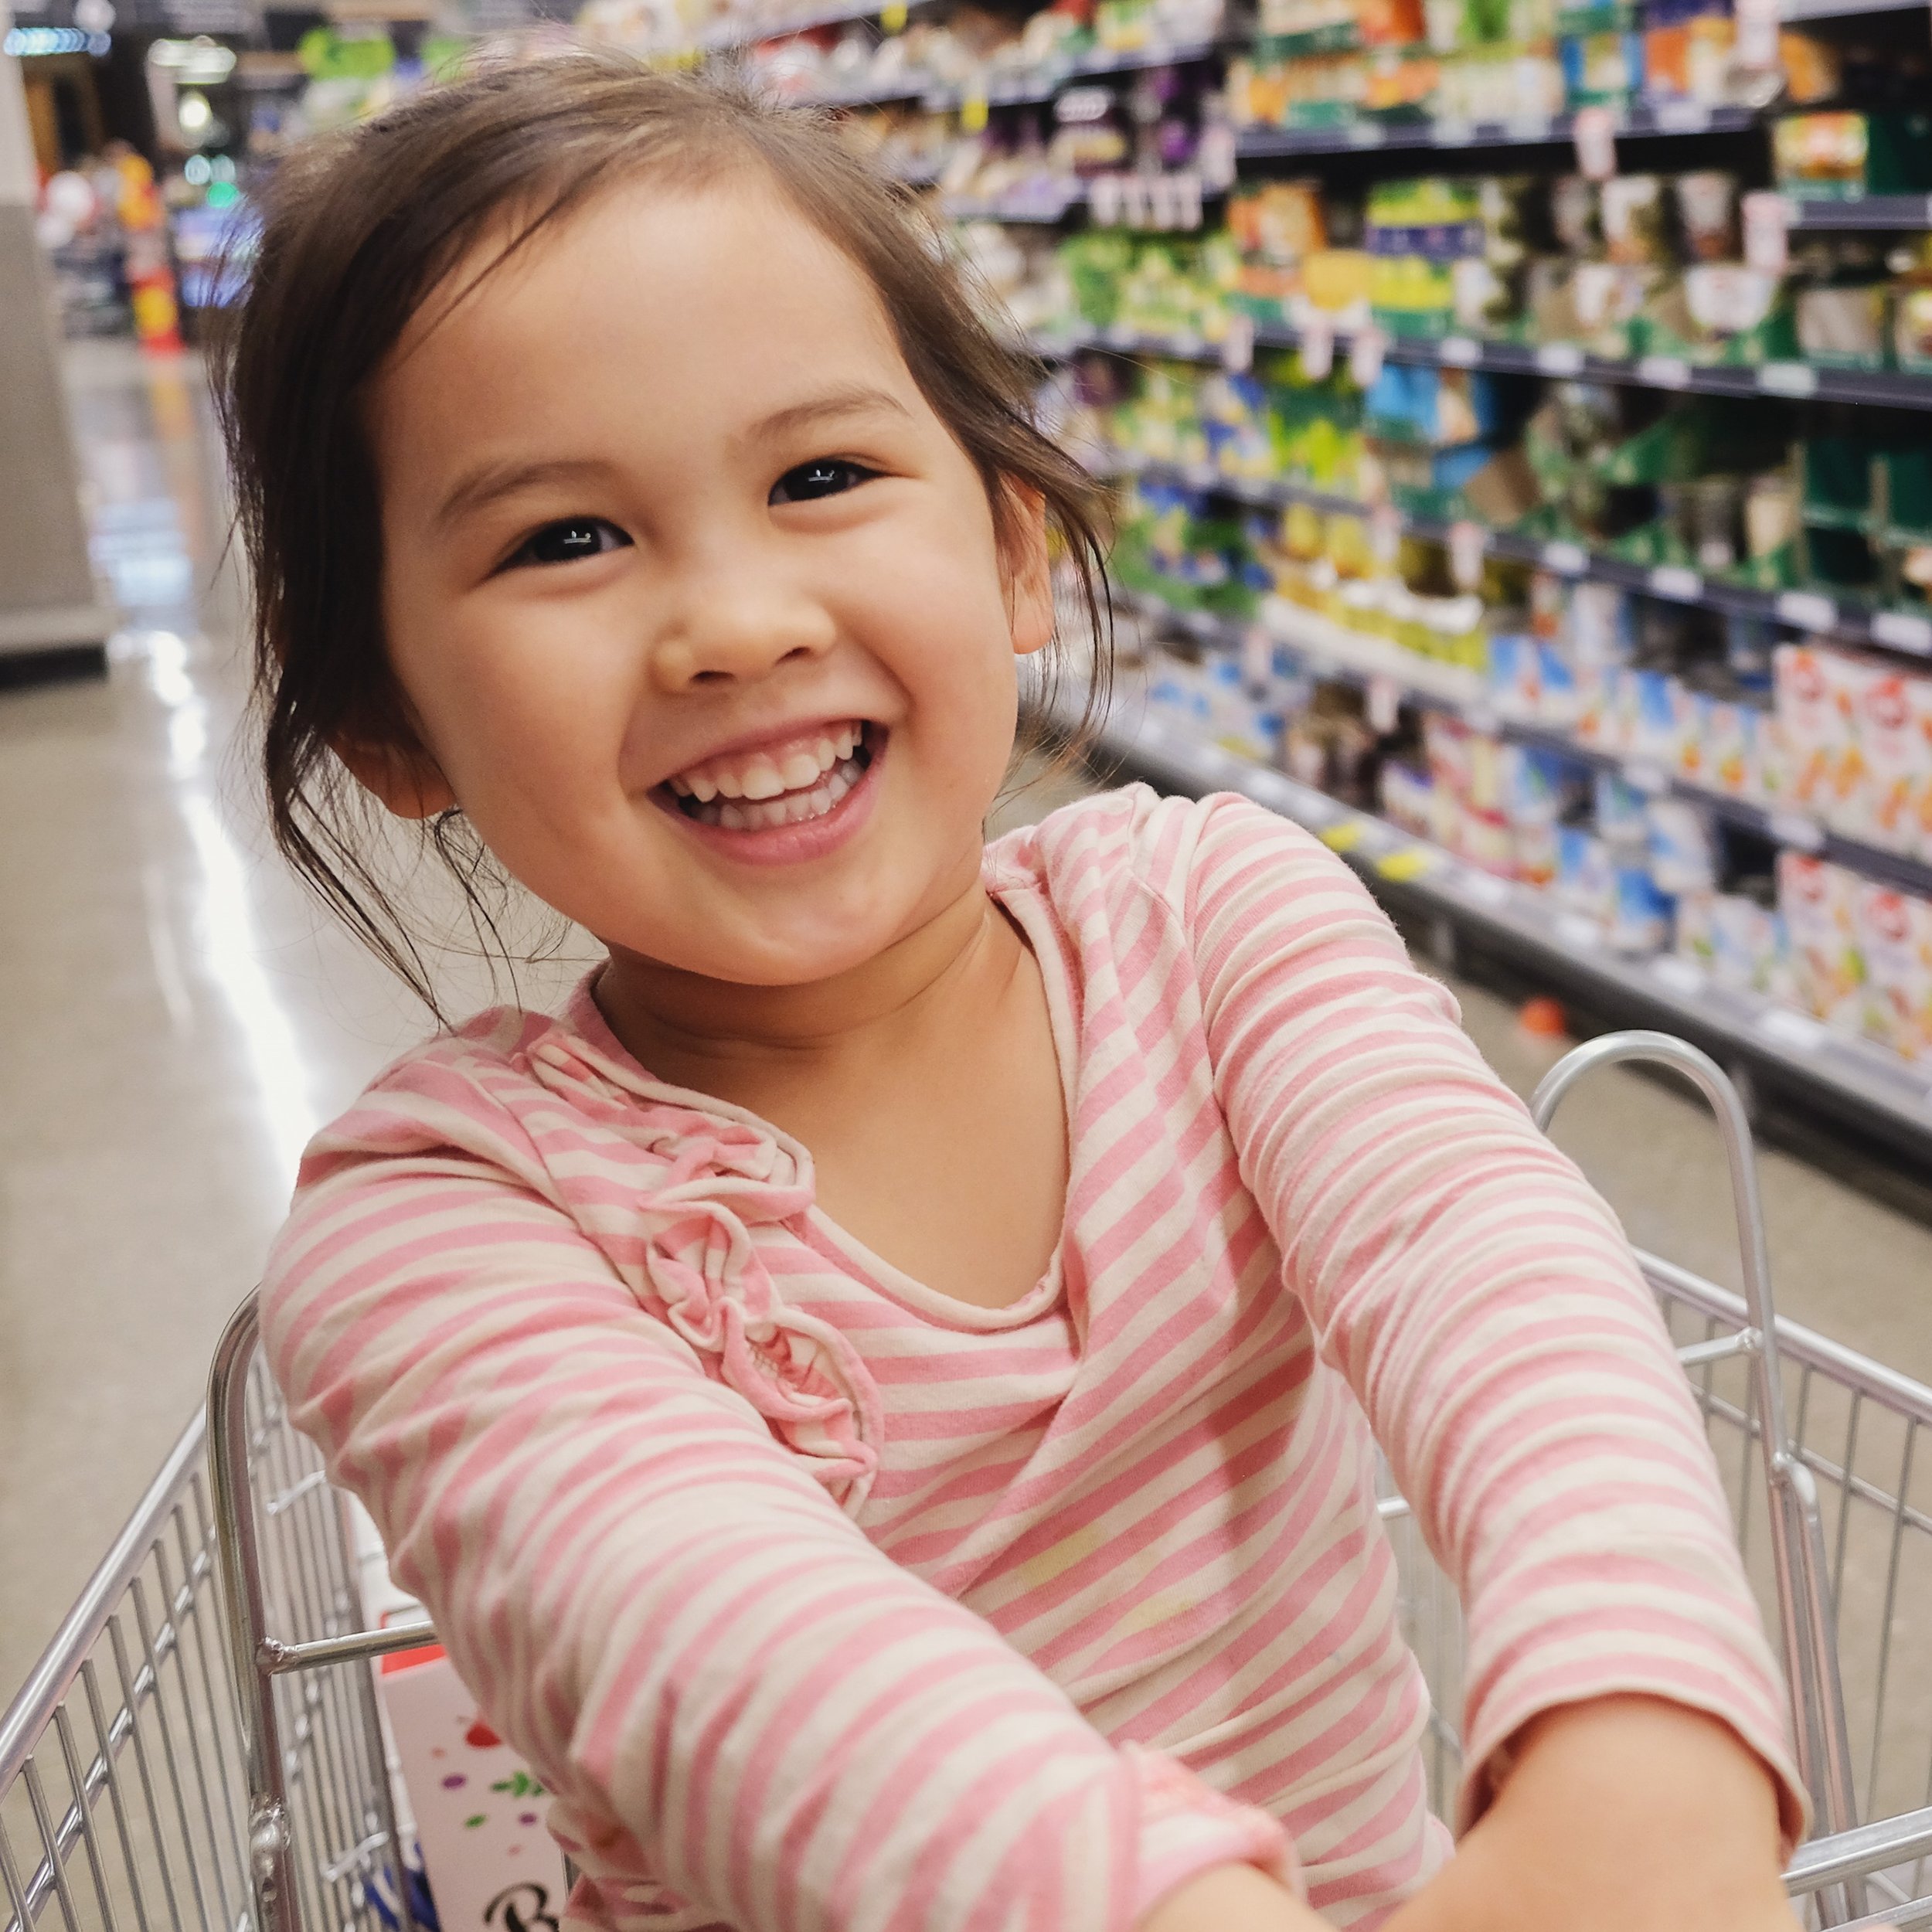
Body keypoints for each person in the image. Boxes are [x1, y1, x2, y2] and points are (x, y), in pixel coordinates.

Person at [227, 52, 1808, 1932]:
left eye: (820, 474)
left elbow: (1475, 1250)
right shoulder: (436, 1224)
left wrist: (1636, 1719)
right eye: (563, 537)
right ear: (387, 722)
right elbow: (734, 1660)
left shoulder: (1208, 917)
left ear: (1010, 548)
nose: (739, 622)